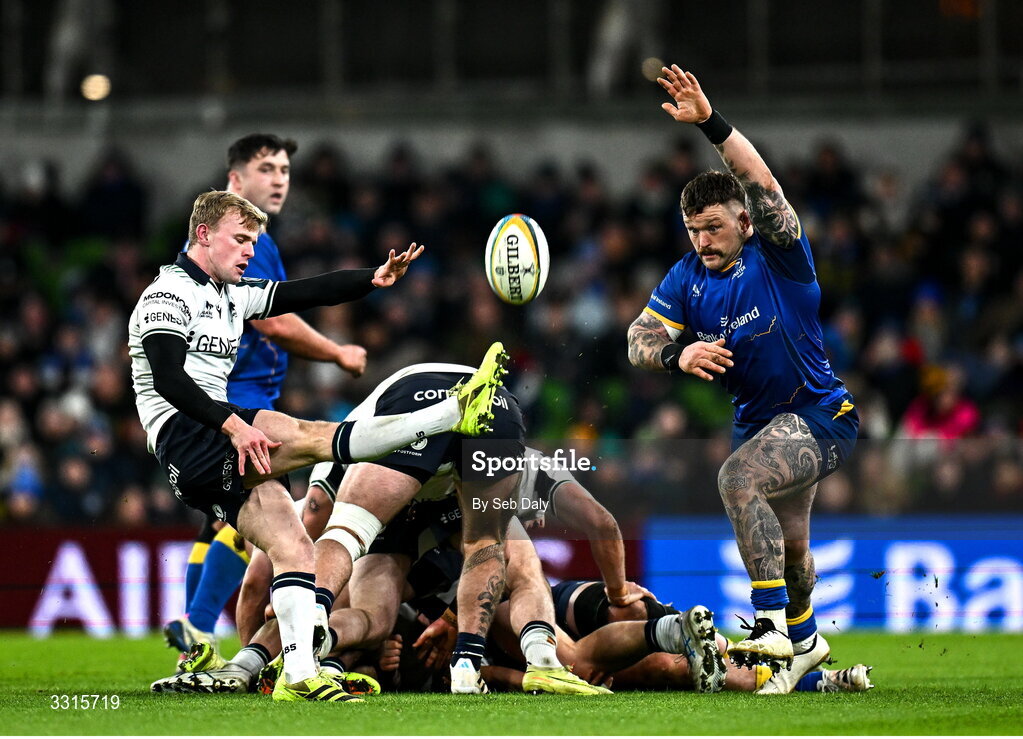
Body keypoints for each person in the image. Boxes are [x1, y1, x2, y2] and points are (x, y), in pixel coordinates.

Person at [129, 190, 506, 702]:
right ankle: (450, 414)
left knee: (295, 550)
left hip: (211, 440)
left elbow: (300, 293)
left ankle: (294, 674)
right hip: (188, 433)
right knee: (314, 436)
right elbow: (169, 379)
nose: (248, 252)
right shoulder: (167, 294)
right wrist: (233, 427)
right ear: (203, 234)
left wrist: (371, 279)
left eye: (253, 242)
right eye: (240, 240)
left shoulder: (228, 294)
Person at [626, 65, 859, 694]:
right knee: (793, 548)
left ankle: (770, 627)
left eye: (714, 227)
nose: (702, 240)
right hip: (761, 422)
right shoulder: (686, 279)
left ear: (745, 223)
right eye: (693, 230)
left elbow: (761, 180)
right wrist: (676, 356)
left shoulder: (780, 255)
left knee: (737, 477)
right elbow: (637, 339)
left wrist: (709, 121)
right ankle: (809, 654)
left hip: (822, 415)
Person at [168, 134, 369, 660]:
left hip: (241, 390)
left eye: (284, 168)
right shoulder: (235, 243)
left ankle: (194, 640)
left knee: (223, 519)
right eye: (266, 168)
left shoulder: (252, 242)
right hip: (236, 392)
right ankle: (199, 625)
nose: (280, 177)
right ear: (235, 181)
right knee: (265, 519)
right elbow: (275, 320)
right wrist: (337, 352)